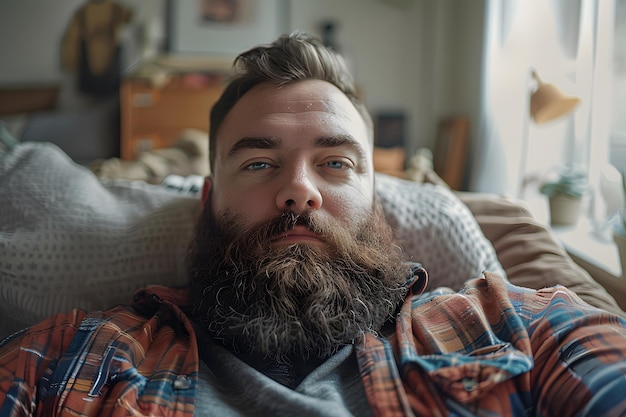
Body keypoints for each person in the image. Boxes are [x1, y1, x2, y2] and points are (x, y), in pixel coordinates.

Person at [1, 32, 626, 417]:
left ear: (380, 201)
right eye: (260, 161)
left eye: (334, 162)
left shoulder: (516, 327)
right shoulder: (68, 358)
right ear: (207, 201)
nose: (298, 189)